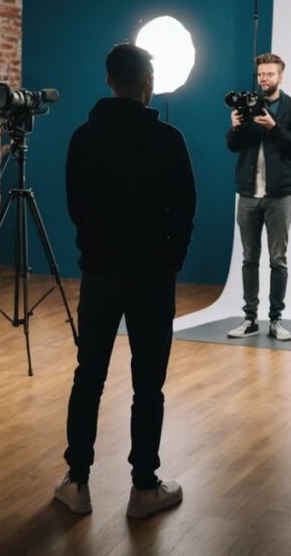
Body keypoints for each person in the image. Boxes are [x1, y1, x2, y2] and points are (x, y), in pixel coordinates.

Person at [55, 43, 196, 518]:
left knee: (88, 376)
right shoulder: (168, 139)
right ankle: (143, 486)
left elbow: (75, 204)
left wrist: (94, 248)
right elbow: (186, 209)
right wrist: (172, 260)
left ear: (110, 79)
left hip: (99, 270)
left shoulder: (82, 137)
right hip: (152, 273)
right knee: (148, 383)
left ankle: (77, 483)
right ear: (146, 83)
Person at [225, 53, 291, 341]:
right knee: (249, 258)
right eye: (261, 75)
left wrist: (273, 126)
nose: (264, 79)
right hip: (248, 193)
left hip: (279, 195)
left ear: (281, 77)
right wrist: (236, 126)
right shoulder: (247, 106)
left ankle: (276, 320)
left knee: (278, 259)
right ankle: (250, 319)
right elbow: (233, 146)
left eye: (270, 74)